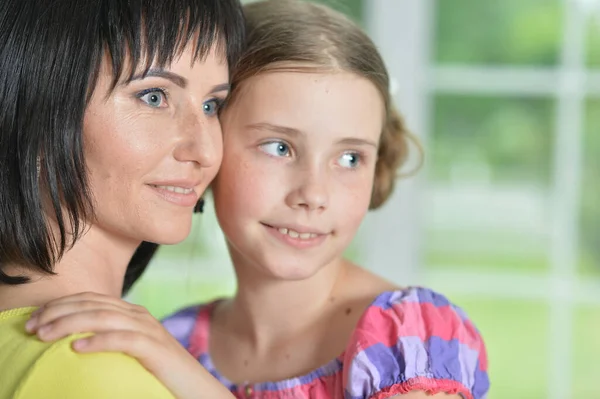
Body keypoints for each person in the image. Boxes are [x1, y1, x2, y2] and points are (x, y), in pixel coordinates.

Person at [27, 1, 490, 398]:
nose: (313, 194)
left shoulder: (411, 339)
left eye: (350, 158)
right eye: (279, 147)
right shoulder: (173, 339)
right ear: (212, 147)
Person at [0, 0, 245, 398]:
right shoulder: (96, 369)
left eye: (211, 105)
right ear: (38, 107)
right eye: (153, 97)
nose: (206, 151)